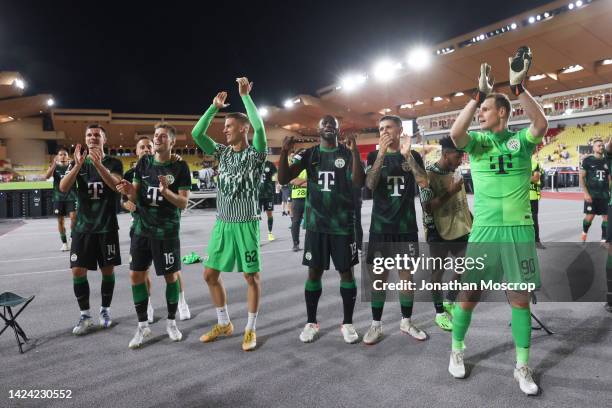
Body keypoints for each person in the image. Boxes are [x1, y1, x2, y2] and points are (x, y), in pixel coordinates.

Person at [447, 55, 548, 395]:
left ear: (502, 112)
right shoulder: (476, 144)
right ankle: (456, 351)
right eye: (480, 112)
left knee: (520, 300)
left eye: (486, 110)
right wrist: (477, 95)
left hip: (518, 229)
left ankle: (522, 366)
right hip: (485, 230)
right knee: (469, 296)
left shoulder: (521, 142)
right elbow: (455, 132)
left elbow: (542, 124)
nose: (481, 116)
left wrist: (519, 88)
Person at [191, 77, 267, 352]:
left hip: (246, 224)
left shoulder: (256, 154)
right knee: (209, 275)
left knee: (251, 278)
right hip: (222, 225)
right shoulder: (222, 154)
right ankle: (224, 323)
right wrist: (213, 108)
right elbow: (197, 135)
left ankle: (250, 328)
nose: (224, 131)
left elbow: (259, 126)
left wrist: (245, 96)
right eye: (223, 127)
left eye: (229, 126)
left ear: (243, 129)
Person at [278, 115, 365, 344]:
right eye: (324, 123)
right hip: (316, 226)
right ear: (318, 129)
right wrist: (284, 153)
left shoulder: (347, 154)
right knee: (314, 272)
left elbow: (358, 182)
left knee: (346, 273)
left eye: (332, 124)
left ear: (338, 129)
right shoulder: (310, 154)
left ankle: (347, 323)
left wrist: (355, 151)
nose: (328, 126)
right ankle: (311, 322)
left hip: (343, 226)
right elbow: (284, 177)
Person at [117, 123, 191, 348]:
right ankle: (142, 326)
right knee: (135, 276)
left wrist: (166, 192)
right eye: (155, 135)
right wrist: (129, 191)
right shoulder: (144, 162)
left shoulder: (180, 167)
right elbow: (135, 195)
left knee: (171, 277)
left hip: (166, 232)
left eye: (162, 136)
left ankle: (171, 323)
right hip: (142, 230)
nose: (157, 138)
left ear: (172, 141)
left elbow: (184, 203)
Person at [362, 116, 429, 345]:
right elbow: (369, 185)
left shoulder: (412, 154)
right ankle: (376, 325)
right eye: (380, 128)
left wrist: (408, 155)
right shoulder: (373, 155)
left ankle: (406, 321)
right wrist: (380, 154)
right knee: (378, 278)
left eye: (388, 127)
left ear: (400, 130)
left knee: (406, 278)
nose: (384, 131)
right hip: (380, 228)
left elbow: (423, 182)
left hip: (406, 227)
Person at [59, 124, 123, 335]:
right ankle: (85, 315)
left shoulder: (114, 162)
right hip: (83, 227)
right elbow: (63, 187)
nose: (93, 137)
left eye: (97, 135)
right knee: (77, 270)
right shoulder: (77, 163)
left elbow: (115, 186)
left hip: (106, 227)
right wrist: (77, 166)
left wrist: (99, 165)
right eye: (89, 135)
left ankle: (105, 310)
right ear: (85, 139)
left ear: (104, 139)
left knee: (108, 270)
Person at [421, 136, 471, 332]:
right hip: (437, 231)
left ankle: (450, 299)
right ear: (446, 154)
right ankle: (439, 312)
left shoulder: (455, 171)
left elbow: (462, 202)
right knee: (437, 273)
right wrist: (450, 191)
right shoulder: (428, 175)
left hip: (460, 227)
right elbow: (427, 208)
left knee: (465, 264)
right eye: (458, 156)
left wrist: (472, 220)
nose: (461, 160)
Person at [44, 146, 77, 251]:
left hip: (72, 196)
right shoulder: (55, 167)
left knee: (74, 218)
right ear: (57, 157)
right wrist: (53, 164)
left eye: (65, 154)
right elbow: (47, 176)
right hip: (58, 198)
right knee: (60, 221)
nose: (63, 156)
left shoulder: (73, 166)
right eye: (60, 155)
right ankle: (64, 243)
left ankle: (73, 239)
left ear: (68, 156)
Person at [580, 139, 609, 243]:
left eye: (602, 145)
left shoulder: (607, 161)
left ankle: (603, 239)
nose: (601, 147)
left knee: (607, 217)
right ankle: (584, 232)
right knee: (589, 217)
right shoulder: (587, 160)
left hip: (605, 195)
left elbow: (609, 178)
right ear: (593, 148)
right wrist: (586, 193)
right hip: (591, 195)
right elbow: (581, 177)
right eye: (598, 145)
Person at [290, 161, 307, 252]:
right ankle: (295, 244)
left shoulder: (309, 167)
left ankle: (310, 243)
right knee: (295, 222)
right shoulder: (294, 169)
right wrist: (306, 180)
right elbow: (293, 181)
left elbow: (313, 182)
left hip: (308, 198)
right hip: (297, 199)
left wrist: (299, 181)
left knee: (310, 222)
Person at [259, 160, 278, 241]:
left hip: (268, 193)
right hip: (257, 194)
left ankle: (270, 233)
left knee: (269, 214)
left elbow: (275, 175)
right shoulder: (254, 162)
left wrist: (274, 181)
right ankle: (256, 235)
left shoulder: (270, 164)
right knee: (256, 215)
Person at [530, 155, 544, 248]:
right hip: (518, 197)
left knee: (534, 220)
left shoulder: (535, 164)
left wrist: (519, 179)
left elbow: (536, 178)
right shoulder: (516, 161)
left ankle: (536, 241)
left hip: (532, 196)